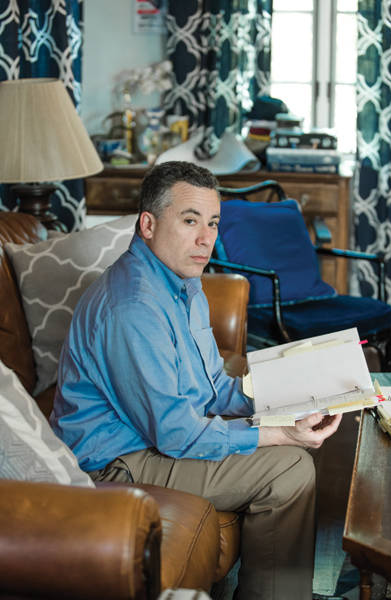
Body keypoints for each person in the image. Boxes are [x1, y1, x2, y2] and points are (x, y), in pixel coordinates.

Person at [51, 160, 342, 600]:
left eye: (212, 223)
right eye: (190, 221)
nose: (207, 239)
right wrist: (276, 433)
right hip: (116, 462)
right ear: (148, 224)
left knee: (295, 439)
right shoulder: (134, 308)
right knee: (289, 467)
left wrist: (284, 398)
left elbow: (213, 390)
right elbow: (174, 432)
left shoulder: (184, 283)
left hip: (151, 440)